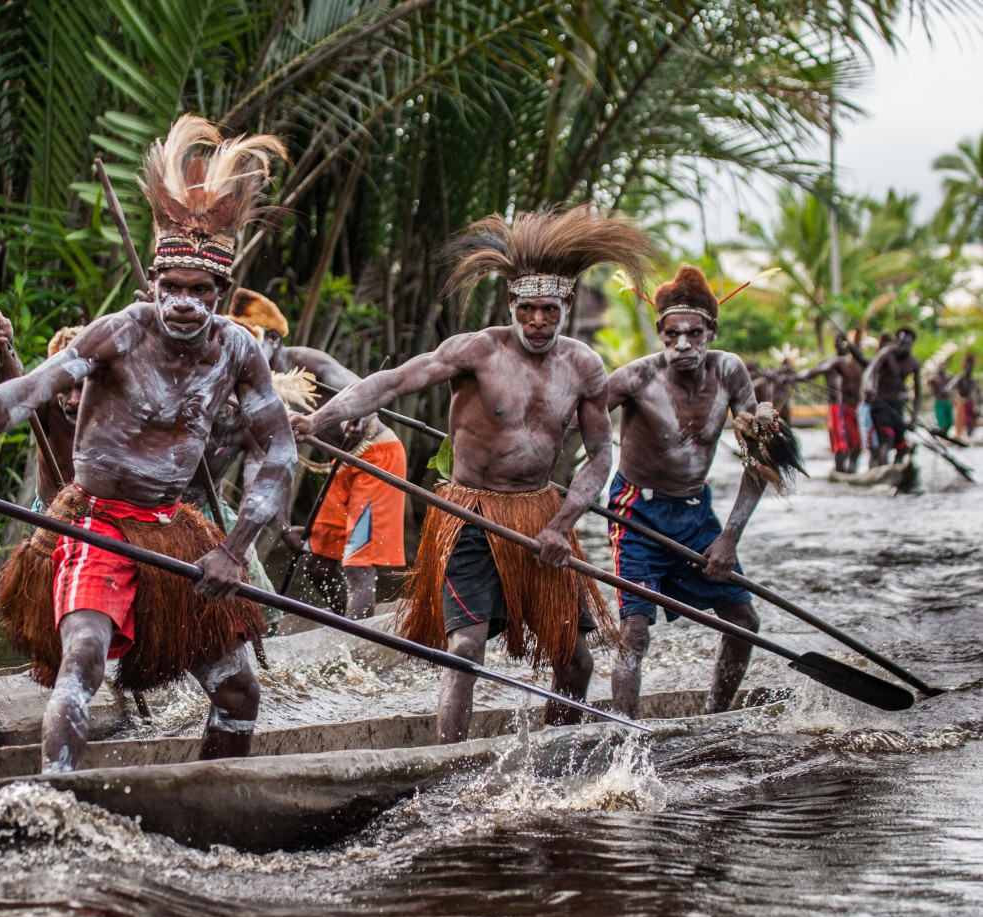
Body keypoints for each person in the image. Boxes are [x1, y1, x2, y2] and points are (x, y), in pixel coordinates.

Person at [0, 115, 296, 773]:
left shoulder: (239, 350)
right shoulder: (122, 333)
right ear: (155, 284)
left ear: (218, 294)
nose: (184, 304)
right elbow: (25, 394)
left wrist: (234, 548)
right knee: (82, 661)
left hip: (174, 531)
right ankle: (57, 805)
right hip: (97, 525)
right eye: (173, 289)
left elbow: (280, 452)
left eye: (200, 292)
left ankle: (215, 792)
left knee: (240, 691)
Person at [292, 206, 656, 740]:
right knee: (465, 648)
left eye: (549, 311)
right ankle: (450, 763)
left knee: (575, 661)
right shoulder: (477, 351)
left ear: (567, 306)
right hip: (471, 514)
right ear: (511, 304)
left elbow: (601, 454)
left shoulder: (584, 367)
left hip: (541, 516)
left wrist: (562, 524)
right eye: (527, 309)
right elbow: (389, 383)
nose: (538, 322)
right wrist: (320, 419)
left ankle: (559, 751)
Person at [605, 266, 803, 718]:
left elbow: (760, 463)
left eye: (694, 333)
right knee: (634, 630)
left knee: (744, 622)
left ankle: (716, 714)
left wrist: (729, 537)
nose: (683, 345)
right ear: (660, 333)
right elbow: (575, 426)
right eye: (672, 334)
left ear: (711, 332)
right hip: (636, 512)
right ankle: (622, 733)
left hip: (696, 511)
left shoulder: (730, 371)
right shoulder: (634, 379)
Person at [228, 290, 408, 620]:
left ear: (271, 338)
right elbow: (274, 456)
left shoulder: (307, 361)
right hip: (340, 465)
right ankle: (348, 626)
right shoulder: (254, 381)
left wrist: (360, 415)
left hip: (377, 455)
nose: (243, 346)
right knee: (317, 563)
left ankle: (358, 640)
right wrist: (283, 526)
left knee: (357, 565)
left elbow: (357, 387)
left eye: (249, 337)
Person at [0, 318, 81, 509]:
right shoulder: (47, 401)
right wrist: (5, 350)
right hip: (51, 515)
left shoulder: (109, 402)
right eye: (66, 390)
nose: (74, 400)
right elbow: (16, 389)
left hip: (98, 520)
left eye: (82, 388)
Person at [795, 333, 868, 473]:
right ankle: (840, 471)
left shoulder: (858, 363)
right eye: (839, 342)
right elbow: (814, 371)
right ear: (834, 345)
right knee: (841, 445)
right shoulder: (832, 363)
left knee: (857, 445)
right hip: (839, 407)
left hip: (857, 408)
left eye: (845, 342)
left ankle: (852, 472)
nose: (842, 345)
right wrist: (796, 377)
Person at [863, 326, 920, 467]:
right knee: (887, 440)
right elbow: (870, 371)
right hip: (880, 404)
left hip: (896, 406)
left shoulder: (914, 362)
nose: (902, 346)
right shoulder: (886, 354)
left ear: (911, 345)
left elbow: (918, 392)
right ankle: (883, 471)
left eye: (907, 344)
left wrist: (914, 417)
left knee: (902, 446)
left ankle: (895, 471)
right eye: (900, 342)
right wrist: (869, 386)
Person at [953, 351, 977, 439]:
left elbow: (976, 392)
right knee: (960, 421)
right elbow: (949, 389)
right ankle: (959, 436)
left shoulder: (972, 379)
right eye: (967, 366)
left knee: (970, 421)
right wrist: (957, 398)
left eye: (971, 366)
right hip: (960, 402)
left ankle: (969, 438)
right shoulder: (960, 378)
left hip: (969, 402)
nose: (969, 368)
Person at [928, 358, 955, 437]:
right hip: (939, 402)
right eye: (940, 366)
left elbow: (952, 389)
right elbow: (928, 383)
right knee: (942, 422)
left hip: (947, 402)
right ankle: (941, 434)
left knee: (950, 422)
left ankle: (945, 435)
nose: (942, 368)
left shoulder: (948, 377)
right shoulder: (934, 379)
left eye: (943, 366)